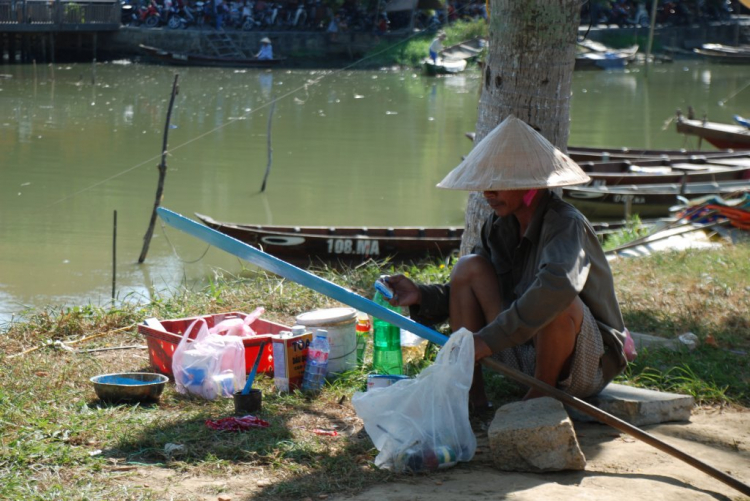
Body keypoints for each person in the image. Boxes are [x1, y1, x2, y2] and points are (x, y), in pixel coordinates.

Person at [384, 115, 627, 408]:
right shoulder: (498, 226)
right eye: (485, 182)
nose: (488, 192)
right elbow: (468, 292)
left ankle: (543, 396)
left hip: (583, 365)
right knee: (468, 267)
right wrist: (421, 295)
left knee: (558, 297)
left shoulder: (565, 224)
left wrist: (488, 340)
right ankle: (470, 395)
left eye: (498, 183)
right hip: (524, 349)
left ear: (529, 185)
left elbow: (559, 285)